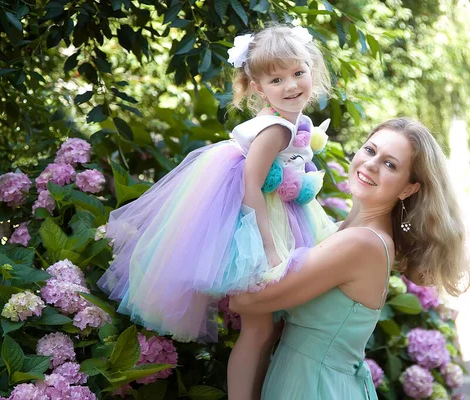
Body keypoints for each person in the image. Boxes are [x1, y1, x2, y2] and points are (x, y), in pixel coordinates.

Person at [97, 25, 336, 400]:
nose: (291, 85)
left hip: (269, 210)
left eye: (298, 73)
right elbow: (249, 184)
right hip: (253, 218)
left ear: (312, 69)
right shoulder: (275, 129)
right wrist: (268, 247)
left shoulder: (294, 122)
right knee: (258, 328)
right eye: (277, 79)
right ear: (258, 88)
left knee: (264, 327)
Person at [231, 118, 470, 400]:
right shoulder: (339, 232)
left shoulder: (362, 243)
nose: (371, 164)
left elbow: (245, 301)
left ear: (408, 189)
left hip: (315, 387)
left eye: (390, 164)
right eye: (370, 151)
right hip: (305, 380)